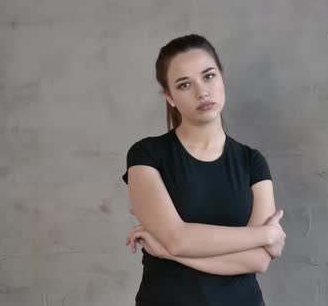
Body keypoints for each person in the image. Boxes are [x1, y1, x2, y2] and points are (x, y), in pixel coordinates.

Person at [121, 34, 286, 306]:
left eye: (208, 77)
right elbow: (178, 238)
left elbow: (258, 259)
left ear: (221, 78)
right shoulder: (145, 155)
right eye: (184, 84)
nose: (202, 91)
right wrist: (264, 235)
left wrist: (169, 252)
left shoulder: (252, 162)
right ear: (170, 97)